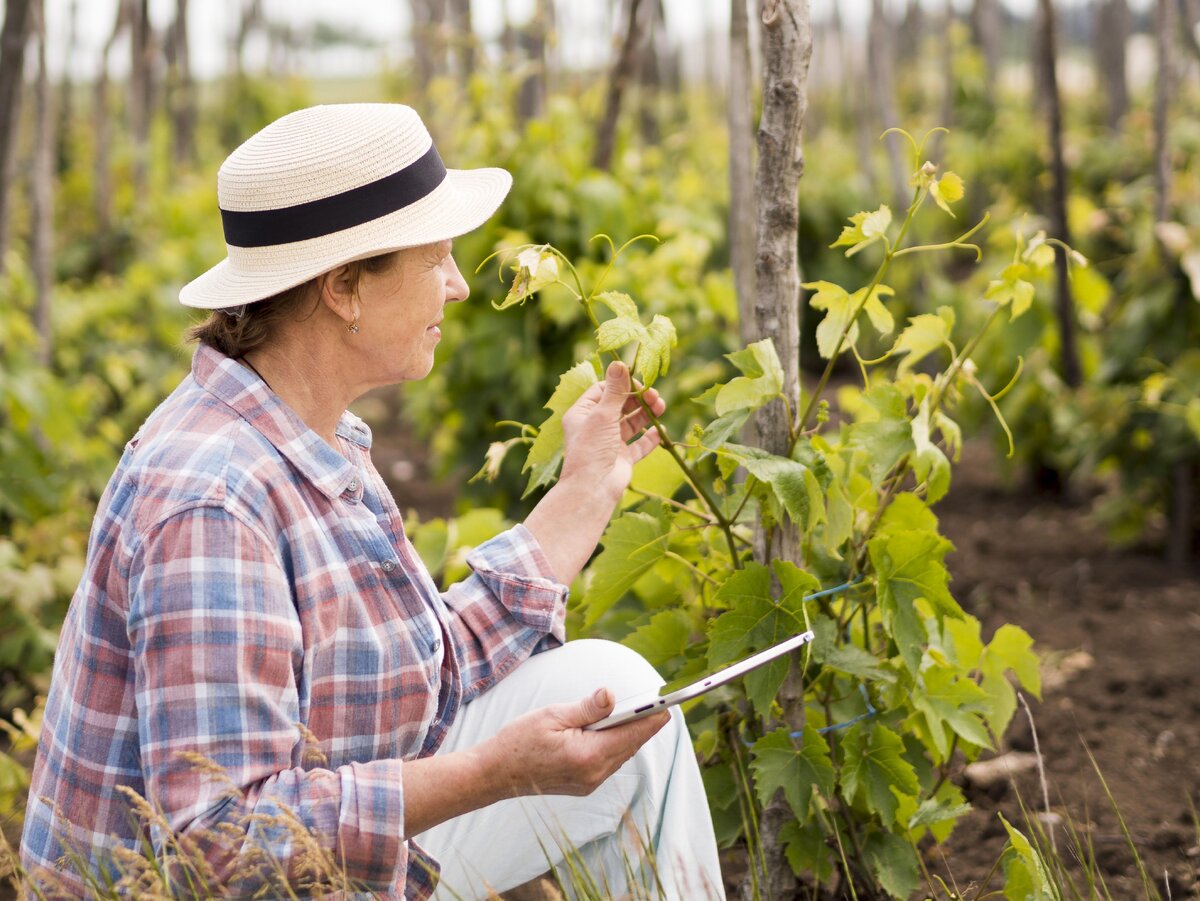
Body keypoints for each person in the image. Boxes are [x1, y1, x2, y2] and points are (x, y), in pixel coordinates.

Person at [19, 104, 723, 899]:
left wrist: (587, 488)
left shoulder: (312, 434)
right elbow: (223, 845)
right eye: (437, 258)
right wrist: (492, 774)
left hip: (306, 854)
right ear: (345, 287)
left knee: (622, 697)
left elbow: (427, 670)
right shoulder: (212, 501)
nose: (458, 286)